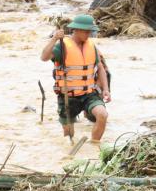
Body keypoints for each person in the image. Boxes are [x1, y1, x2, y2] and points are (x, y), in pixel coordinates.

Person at [40, 14, 110, 144]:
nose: (88, 34)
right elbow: (44, 57)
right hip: (68, 97)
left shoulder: (91, 46)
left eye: (90, 31)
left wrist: (105, 89)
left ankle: (95, 147)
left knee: (103, 115)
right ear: (76, 30)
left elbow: (100, 68)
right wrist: (54, 38)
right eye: (85, 31)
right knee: (69, 135)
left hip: (89, 94)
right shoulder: (62, 46)